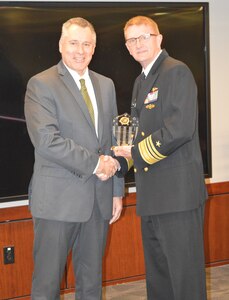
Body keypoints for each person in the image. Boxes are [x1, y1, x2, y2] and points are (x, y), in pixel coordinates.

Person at [24, 17, 124, 300]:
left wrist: (116, 190)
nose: (80, 50)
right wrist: (96, 163)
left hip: (99, 199)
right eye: (74, 43)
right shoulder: (41, 84)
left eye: (87, 44)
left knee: (91, 284)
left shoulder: (106, 85)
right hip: (57, 201)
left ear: (94, 48)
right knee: (47, 286)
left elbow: (113, 141)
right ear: (60, 45)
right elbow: (46, 141)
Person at [113, 16, 208, 300]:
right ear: (127, 47)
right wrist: (121, 161)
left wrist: (136, 154)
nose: (138, 44)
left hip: (178, 197)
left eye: (144, 37)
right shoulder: (141, 82)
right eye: (132, 40)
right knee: (159, 280)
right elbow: (137, 136)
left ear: (159, 38)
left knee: (184, 281)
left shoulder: (175, 71)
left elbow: (179, 130)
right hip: (152, 196)